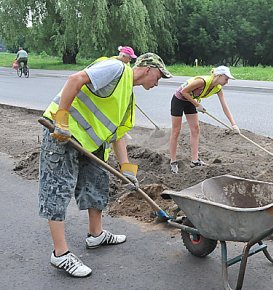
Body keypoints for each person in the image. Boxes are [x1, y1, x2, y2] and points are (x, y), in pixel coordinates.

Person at [39, 53, 172, 277]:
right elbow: (75, 79)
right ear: (148, 69)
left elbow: (117, 135)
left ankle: (96, 234)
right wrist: (61, 119)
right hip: (63, 134)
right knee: (58, 189)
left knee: (97, 184)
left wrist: (127, 170)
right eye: (159, 76)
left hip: (90, 145)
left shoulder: (128, 97)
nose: (158, 83)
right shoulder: (116, 68)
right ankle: (60, 254)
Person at [168, 65, 239, 174]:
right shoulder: (202, 81)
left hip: (191, 102)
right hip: (179, 100)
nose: (227, 82)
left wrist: (233, 124)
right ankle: (173, 162)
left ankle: (195, 160)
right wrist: (197, 105)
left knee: (195, 129)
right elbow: (184, 92)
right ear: (219, 76)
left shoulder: (218, 89)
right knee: (176, 130)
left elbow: (225, 106)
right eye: (226, 79)